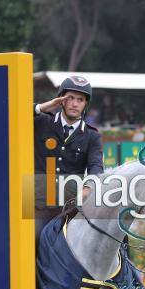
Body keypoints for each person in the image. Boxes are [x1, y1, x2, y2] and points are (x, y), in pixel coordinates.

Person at [33, 75, 103, 245]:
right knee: (35, 239)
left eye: (80, 99)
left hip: (72, 205)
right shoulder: (41, 121)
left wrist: (88, 188)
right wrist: (42, 107)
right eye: (70, 98)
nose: (74, 103)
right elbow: (11, 112)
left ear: (85, 104)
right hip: (37, 204)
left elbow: (96, 166)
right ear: (61, 100)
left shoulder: (92, 135)